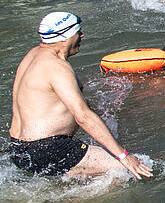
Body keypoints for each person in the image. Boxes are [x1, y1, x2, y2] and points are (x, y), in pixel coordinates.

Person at [8, 12, 152, 179]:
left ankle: (61, 202)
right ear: (65, 37)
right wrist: (124, 156)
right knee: (127, 171)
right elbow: (82, 116)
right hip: (48, 148)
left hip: (19, 149)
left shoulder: (33, 55)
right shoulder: (56, 67)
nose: (82, 35)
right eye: (78, 32)